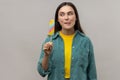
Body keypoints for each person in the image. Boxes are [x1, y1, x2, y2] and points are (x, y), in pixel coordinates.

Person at [37, 2, 97, 80]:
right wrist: (46, 55)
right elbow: (42, 71)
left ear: (76, 17)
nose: (66, 18)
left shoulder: (86, 41)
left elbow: (92, 73)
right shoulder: (50, 41)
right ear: (58, 19)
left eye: (70, 14)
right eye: (62, 14)